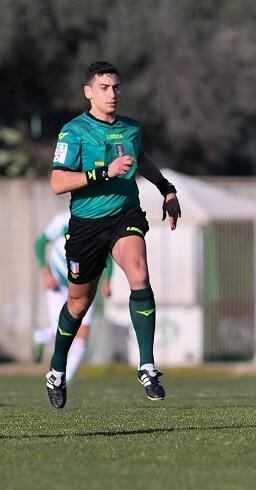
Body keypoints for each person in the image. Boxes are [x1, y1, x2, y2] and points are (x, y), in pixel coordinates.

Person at [46, 61, 181, 409]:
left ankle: (147, 365)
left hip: (125, 214)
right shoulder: (73, 131)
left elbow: (142, 159)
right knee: (78, 303)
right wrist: (103, 172)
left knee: (138, 270)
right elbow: (58, 182)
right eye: (104, 88)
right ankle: (57, 370)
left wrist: (167, 190)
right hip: (86, 226)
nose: (112, 94)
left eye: (116, 87)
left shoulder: (131, 129)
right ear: (88, 92)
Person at [33, 210, 113, 379]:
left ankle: (64, 380)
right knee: (62, 328)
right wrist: (45, 272)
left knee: (82, 334)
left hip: (84, 283)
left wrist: (106, 280)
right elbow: (40, 243)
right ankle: (41, 337)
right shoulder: (62, 220)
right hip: (59, 284)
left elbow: (105, 254)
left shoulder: (99, 219)